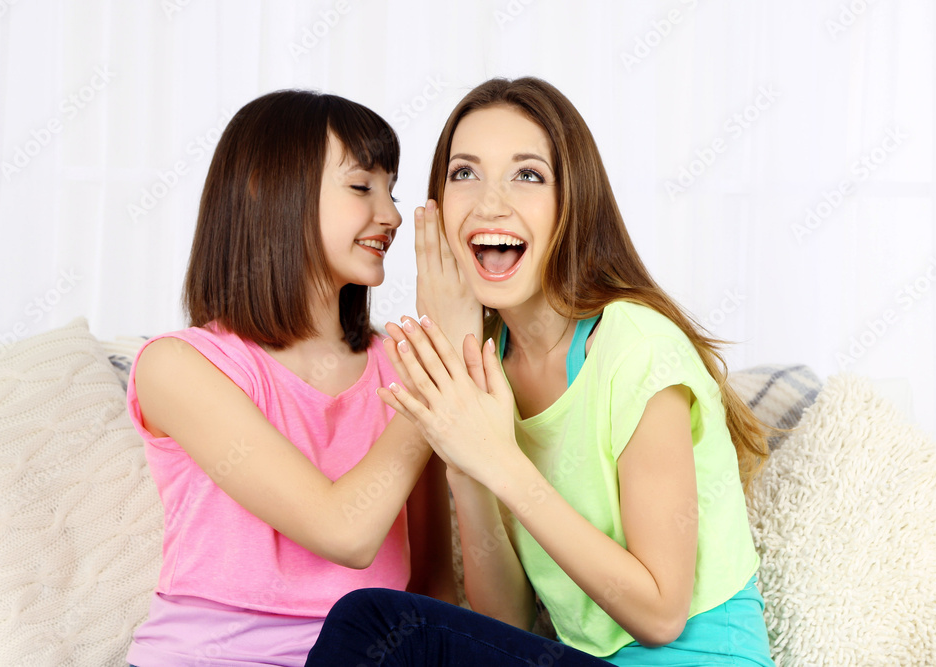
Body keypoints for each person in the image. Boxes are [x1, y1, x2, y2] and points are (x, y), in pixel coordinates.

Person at [305, 77, 774, 666]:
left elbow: (660, 614)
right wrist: (466, 447)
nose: (489, 203)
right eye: (464, 173)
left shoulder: (635, 345)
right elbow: (505, 624)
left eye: (527, 175)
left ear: (570, 204)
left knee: (371, 622)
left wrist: (499, 460)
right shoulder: (496, 364)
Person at [124, 90, 455, 667]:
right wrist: (435, 370)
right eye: (362, 187)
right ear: (265, 189)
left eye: (391, 189)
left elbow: (431, 582)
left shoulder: (400, 366)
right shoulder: (178, 366)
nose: (393, 215)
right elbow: (343, 532)